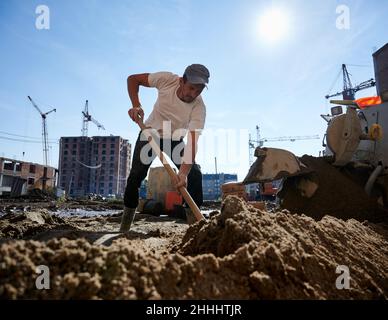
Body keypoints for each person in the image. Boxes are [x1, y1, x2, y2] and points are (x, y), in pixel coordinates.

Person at [120, 64, 210, 232]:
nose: (193, 94)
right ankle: (125, 225)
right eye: (191, 88)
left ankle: (195, 228)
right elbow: (133, 79)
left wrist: (182, 173)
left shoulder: (199, 107)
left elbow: (192, 141)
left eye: (198, 91)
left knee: (194, 174)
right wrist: (136, 105)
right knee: (135, 177)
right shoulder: (167, 80)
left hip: (175, 139)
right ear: (181, 81)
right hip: (150, 133)